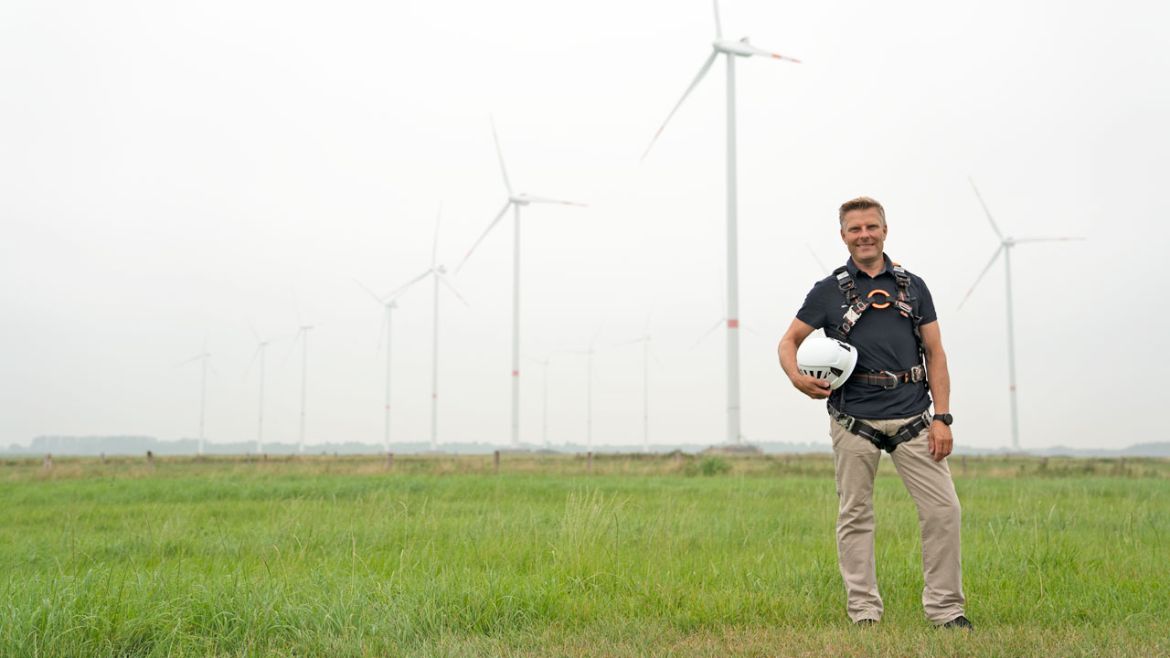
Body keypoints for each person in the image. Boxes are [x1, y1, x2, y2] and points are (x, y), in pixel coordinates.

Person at [776, 196, 971, 629]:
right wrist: (796, 377)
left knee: (943, 511)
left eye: (871, 227)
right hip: (853, 419)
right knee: (855, 515)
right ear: (843, 236)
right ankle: (864, 612)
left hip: (915, 417)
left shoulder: (914, 286)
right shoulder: (827, 291)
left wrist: (944, 417)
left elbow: (936, 352)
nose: (864, 235)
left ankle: (946, 611)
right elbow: (788, 341)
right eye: (854, 229)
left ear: (885, 230)